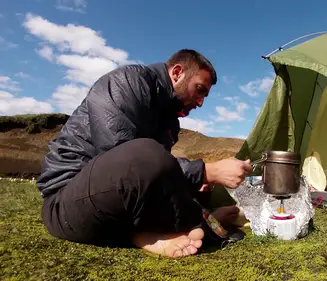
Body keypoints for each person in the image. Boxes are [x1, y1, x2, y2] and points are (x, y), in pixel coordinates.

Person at [36, 49, 253, 258]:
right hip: (67, 204)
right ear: (177, 73)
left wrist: (198, 187)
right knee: (148, 153)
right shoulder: (127, 82)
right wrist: (206, 170)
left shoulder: (168, 121)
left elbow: (154, 180)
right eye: (199, 90)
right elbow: (125, 158)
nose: (200, 102)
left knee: (190, 183)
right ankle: (155, 231)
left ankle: (181, 226)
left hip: (117, 203)